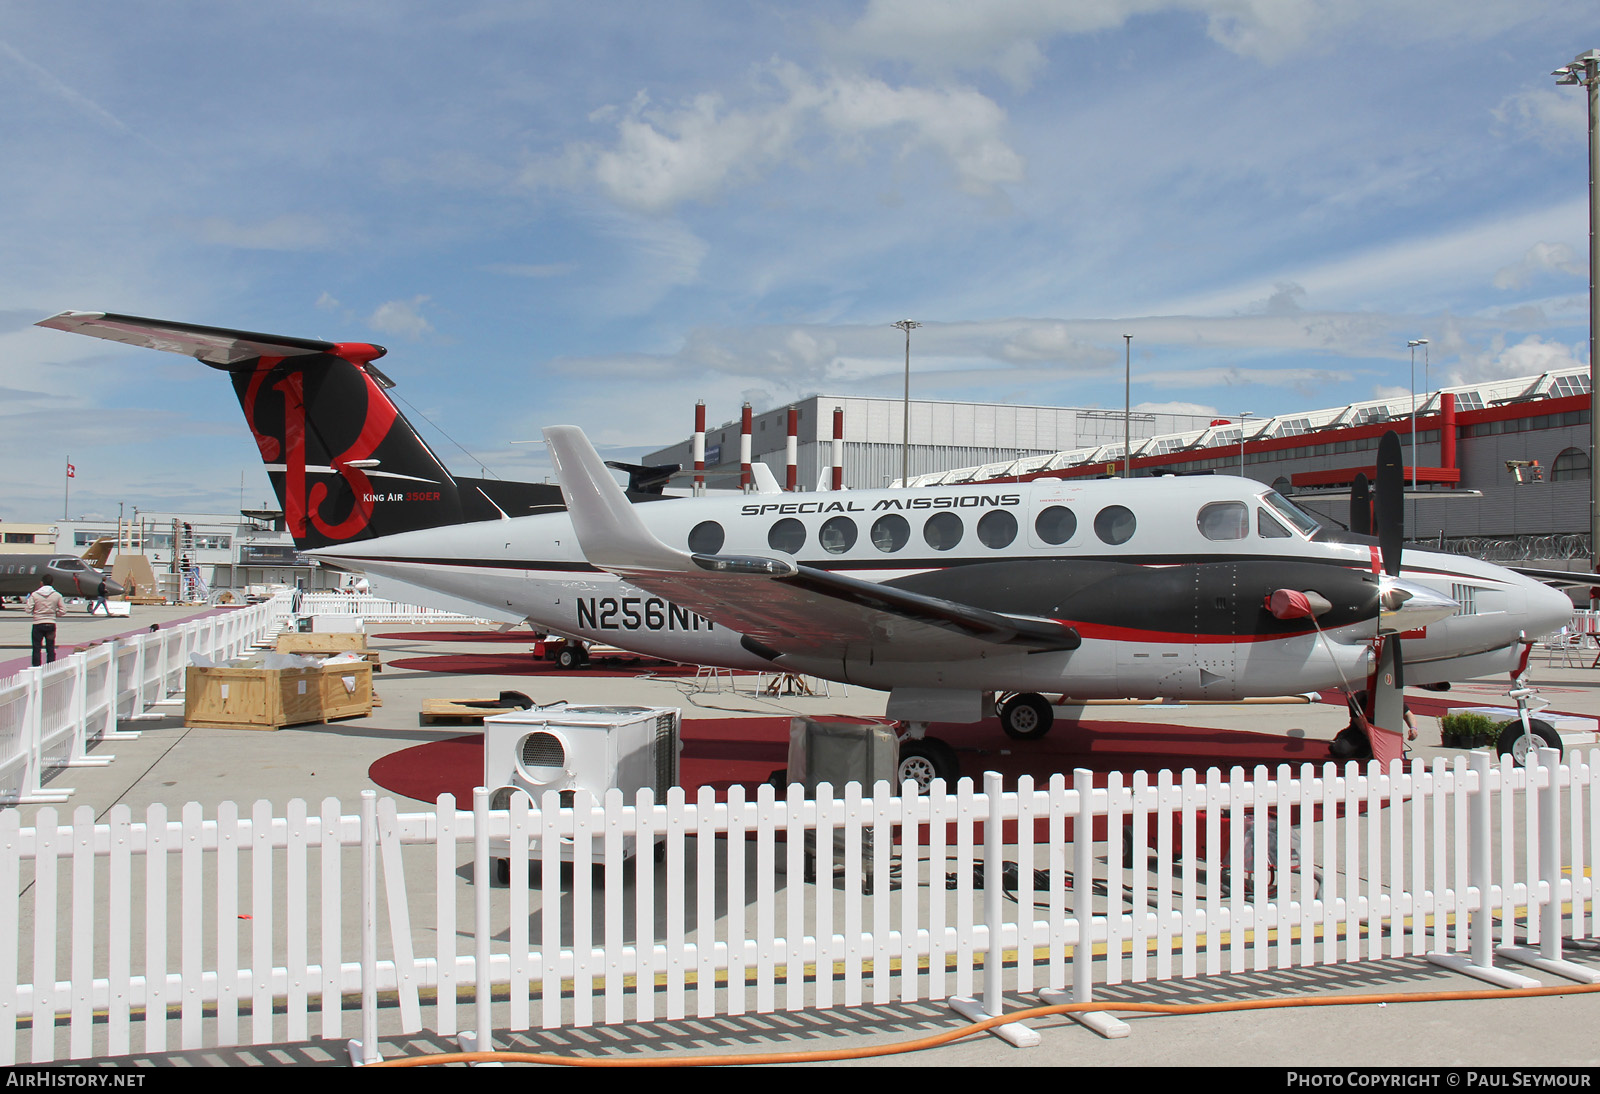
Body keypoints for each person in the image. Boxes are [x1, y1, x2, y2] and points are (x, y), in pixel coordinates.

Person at [26, 576, 66, 666]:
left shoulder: (35, 595)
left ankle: (36, 667)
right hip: (51, 623)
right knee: (50, 647)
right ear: (52, 583)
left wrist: (35, 612)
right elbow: (63, 610)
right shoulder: (57, 595)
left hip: (38, 623)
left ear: (41, 583)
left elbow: (28, 609)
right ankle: (50, 666)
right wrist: (55, 614)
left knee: (36, 647)